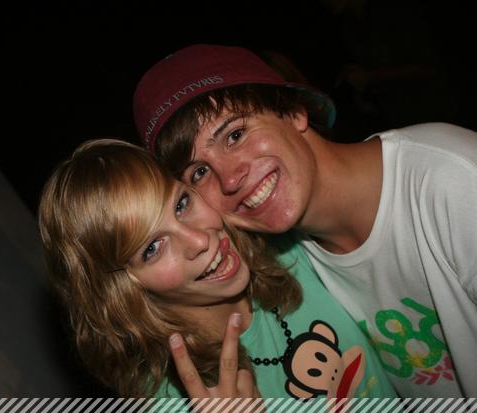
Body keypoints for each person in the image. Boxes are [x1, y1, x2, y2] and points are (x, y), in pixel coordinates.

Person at [132, 44, 477, 397]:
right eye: (200, 172)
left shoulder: (455, 184)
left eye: (235, 135)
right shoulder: (287, 259)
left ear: (294, 112)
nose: (230, 179)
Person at [38, 138, 396, 404]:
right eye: (152, 249)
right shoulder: (173, 401)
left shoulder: (287, 246)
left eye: (181, 204)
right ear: (120, 292)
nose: (198, 239)